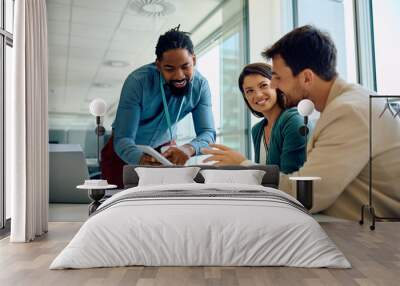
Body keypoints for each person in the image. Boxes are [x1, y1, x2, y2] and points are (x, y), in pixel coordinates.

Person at [263, 25, 400, 220]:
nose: (274, 85)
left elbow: (307, 195)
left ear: (307, 78)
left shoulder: (349, 112)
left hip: (378, 239)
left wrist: (249, 173)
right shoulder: (346, 102)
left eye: (277, 77)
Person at [101, 26, 216, 188]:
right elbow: (123, 138)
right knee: (114, 199)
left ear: (194, 61)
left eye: (185, 66)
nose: (179, 76)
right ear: (158, 65)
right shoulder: (137, 82)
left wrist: (188, 149)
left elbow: (208, 133)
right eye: (169, 68)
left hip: (164, 149)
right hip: (125, 150)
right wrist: (140, 159)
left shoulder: (201, 86)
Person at [202, 63, 307, 174]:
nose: (258, 95)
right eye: (249, 91)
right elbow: (265, 180)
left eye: (263, 85)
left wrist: (242, 163)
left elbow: (291, 181)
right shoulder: (258, 130)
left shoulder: (294, 121)